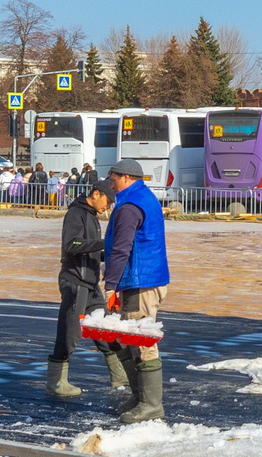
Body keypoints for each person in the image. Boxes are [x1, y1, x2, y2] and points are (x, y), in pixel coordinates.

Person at [97, 159, 171, 422]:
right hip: (145, 278)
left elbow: (122, 247)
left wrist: (110, 284)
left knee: (142, 342)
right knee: (130, 340)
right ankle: (140, 398)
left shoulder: (129, 206)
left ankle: (151, 405)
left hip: (140, 281)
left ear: (126, 177)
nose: (110, 182)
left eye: (113, 177)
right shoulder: (143, 197)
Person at [45, 176, 116, 402]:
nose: (108, 206)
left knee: (103, 326)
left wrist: (109, 252)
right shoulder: (76, 214)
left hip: (90, 282)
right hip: (75, 281)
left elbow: (90, 250)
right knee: (70, 331)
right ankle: (56, 382)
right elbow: (72, 245)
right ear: (96, 194)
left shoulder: (92, 216)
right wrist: (105, 244)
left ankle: (120, 375)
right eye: (108, 200)